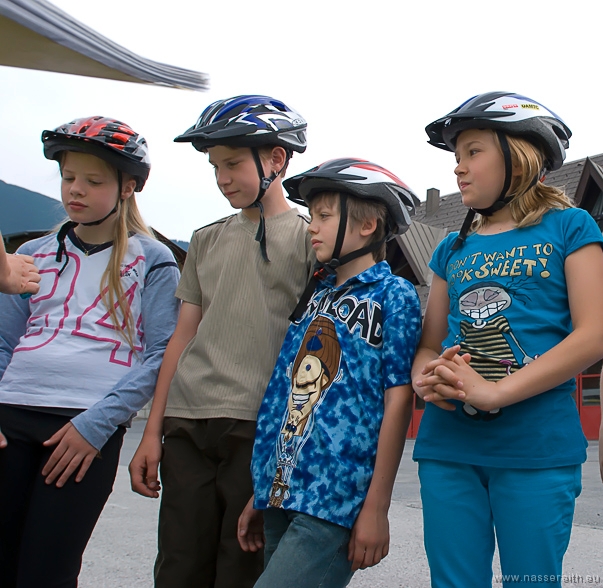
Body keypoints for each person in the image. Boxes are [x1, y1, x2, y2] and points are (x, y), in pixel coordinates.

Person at [412, 92, 603, 588]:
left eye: (473, 151)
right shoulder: (451, 247)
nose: (459, 167)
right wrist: (424, 378)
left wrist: (496, 390)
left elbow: (595, 333)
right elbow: (429, 345)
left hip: (537, 448)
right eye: (457, 157)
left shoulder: (570, 225)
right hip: (447, 447)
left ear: (521, 155)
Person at [128, 95, 314, 588]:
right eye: (215, 167)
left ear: (276, 159)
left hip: (259, 425)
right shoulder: (205, 239)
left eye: (232, 164)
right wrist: (152, 430)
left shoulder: (310, 239)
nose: (222, 178)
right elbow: (181, 337)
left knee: (242, 562)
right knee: (179, 563)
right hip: (188, 422)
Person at [0, 116, 180, 588]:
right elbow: (3, 341)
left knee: (48, 571)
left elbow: (160, 353)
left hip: (85, 429)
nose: (74, 190)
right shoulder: (32, 254)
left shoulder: (154, 259)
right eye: (67, 177)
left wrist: (96, 426)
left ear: (127, 187)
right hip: (8, 417)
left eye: (92, 181)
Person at [238, 158, 422, 588]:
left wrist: (376, 506)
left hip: (334, 499)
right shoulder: (314, 296)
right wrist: (263, 489)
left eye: (323, 216)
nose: (311, 227)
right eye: (312, 216)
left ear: (367, 225)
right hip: (282, 490)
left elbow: (399, 399)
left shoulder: (394, 295)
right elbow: (287, 395)